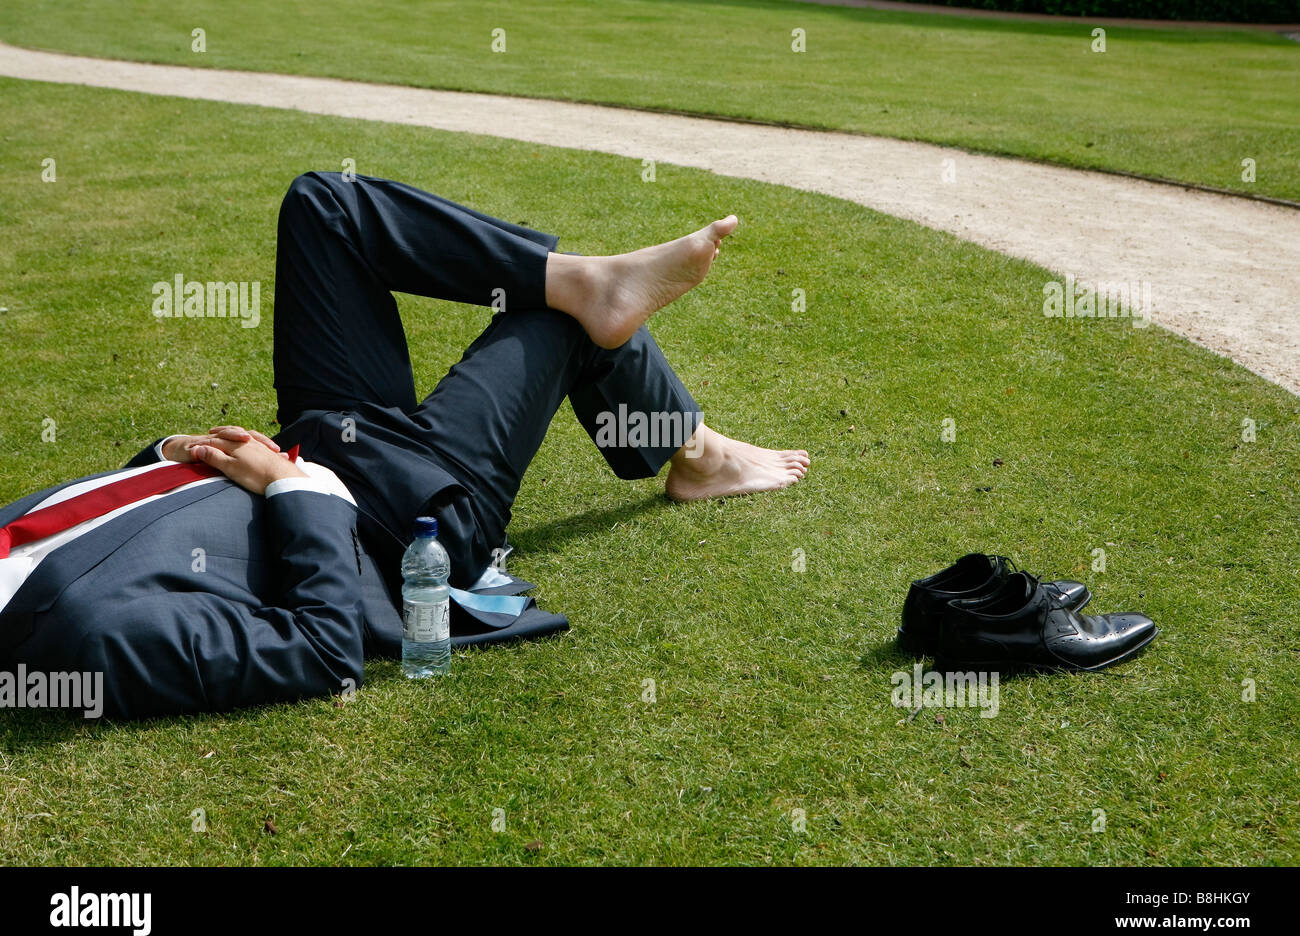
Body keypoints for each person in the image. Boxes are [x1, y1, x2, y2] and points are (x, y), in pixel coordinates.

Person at [0, 172, 809, 719]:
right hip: (402, 521)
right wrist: (290, 489)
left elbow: (115, 514)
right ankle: (694, 451)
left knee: (324, 205)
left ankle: (589, 296)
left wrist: (168, 450)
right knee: (559, 326)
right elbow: (320, 650)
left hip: (330, 439)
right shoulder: (81, 644)